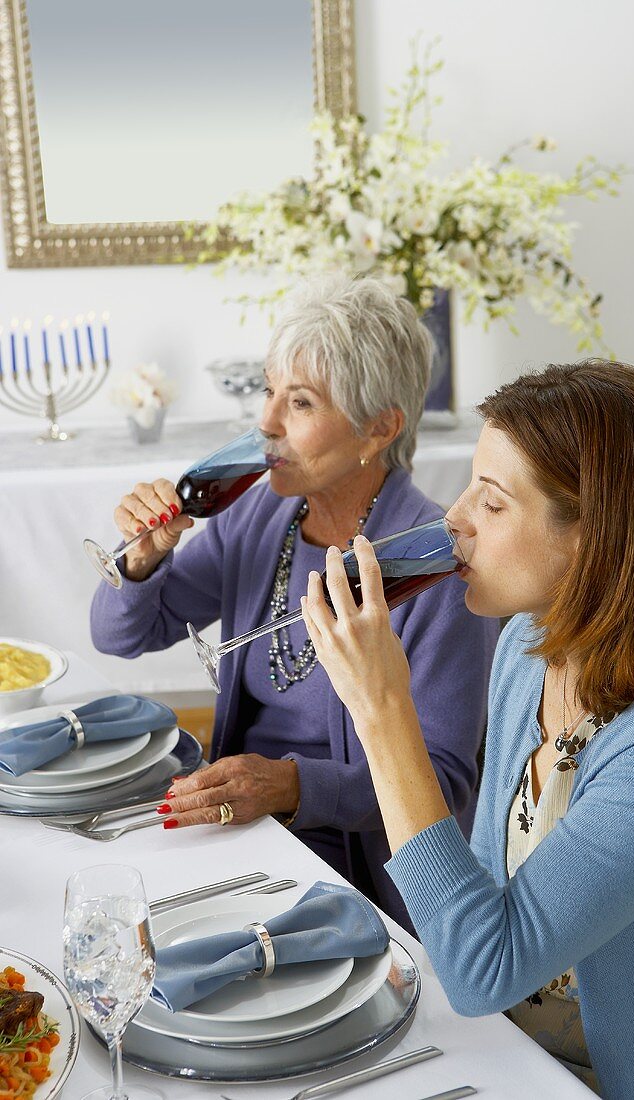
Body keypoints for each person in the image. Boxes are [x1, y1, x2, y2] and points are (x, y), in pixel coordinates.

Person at [300, 359, 634, 1099]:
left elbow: (482, 966)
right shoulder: (527, 650)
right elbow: (482, 888)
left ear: (594, 539)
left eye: (492, 503)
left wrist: (381, 709)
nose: (453, 518)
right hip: (513, 1064)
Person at [90, 276, 499, 928]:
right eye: (268, 390)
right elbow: (122, 636)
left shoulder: (433, 574)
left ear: (378, 429)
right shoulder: (255, 518)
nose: (266, 423)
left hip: (353, 871)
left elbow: (445, 785)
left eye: (301, 402)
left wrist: (290, 786)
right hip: (242, 830)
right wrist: (142, 559)